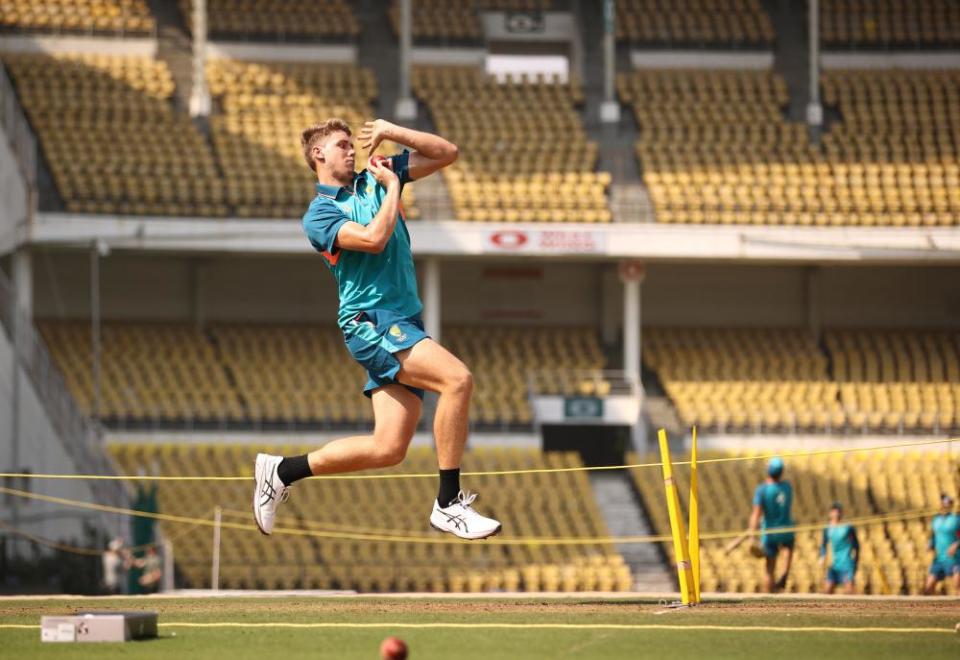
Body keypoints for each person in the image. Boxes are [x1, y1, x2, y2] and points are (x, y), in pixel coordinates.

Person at [253, 118, 501, 541]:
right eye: (342, 145)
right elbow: (373, 239)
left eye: (353, 144)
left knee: (388, 448)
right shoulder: (320, 214)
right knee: (458, 380)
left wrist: (392, 130)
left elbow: (446, 153)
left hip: (402, 320)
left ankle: (282, 470)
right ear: (319, 155)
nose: (352, 151)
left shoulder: (376, 175)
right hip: (370, 321)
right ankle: (448, 502)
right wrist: (393, 187)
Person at [747, 456, 794, 593]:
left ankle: (770, 598)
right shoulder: (787, 487)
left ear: (768, 470)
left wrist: (752, 535)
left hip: (769, 532)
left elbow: (756, 514)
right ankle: (785, 572)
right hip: (786, 529)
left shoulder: (762, 490)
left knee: (769, 569)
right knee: (789, 547)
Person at [923, 494, 959, 595]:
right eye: (942, 502)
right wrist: (931, 544)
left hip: (955, 559)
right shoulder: (936, 520)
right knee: (929, 587)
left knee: (957, 586)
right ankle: (937, 608)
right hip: (939, 559)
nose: (942, 505)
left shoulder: (956, 519)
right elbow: (934, 535)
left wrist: (956, 544)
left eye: (945, 503)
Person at [820, 502, 859, 594]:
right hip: (833, 565)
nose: (836, 513)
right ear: (830, 514)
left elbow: (856, 546)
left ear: (841, 513)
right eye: (834, 511)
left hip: (846, 564)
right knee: (827, 591)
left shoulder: (848, 527)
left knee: (850, 591)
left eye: (838, 511)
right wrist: (822, 556)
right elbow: (823, 544)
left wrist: (856, 560)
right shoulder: (827, 529)